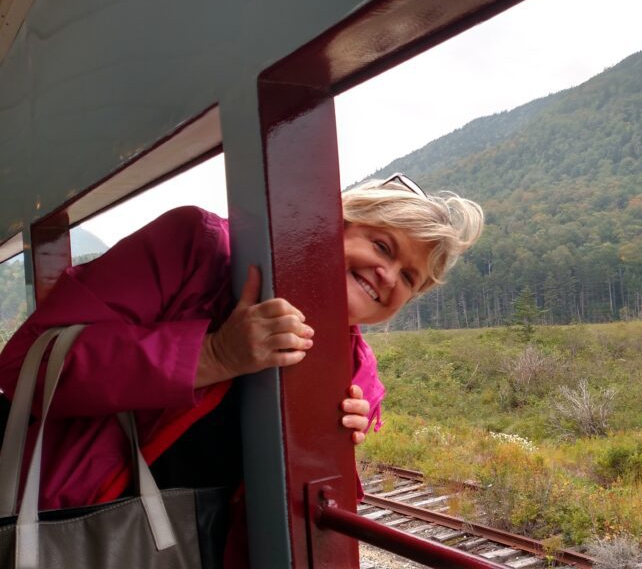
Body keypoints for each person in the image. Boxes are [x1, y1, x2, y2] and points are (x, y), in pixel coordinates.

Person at [0, 173, 483, 546]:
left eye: (410, 278)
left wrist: (336, 442)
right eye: (383, 245)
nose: (387, 273)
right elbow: (26, 368)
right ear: (334, 221)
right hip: (78, 531)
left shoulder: (357, 370)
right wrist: (212, 355)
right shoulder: (197, 248)